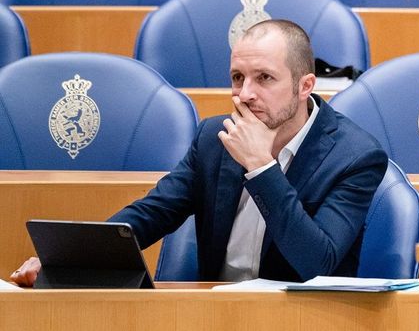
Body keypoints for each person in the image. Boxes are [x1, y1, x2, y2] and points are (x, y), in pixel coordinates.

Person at [11, 19, 388, 286]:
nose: (245, 94)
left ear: (305, 86)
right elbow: (150, 214)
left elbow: (315, 263)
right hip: (215, 317)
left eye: (265, 78)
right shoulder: (213, 138)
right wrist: (66, 261)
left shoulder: (355, 157)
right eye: (238, 78)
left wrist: (261, 166)